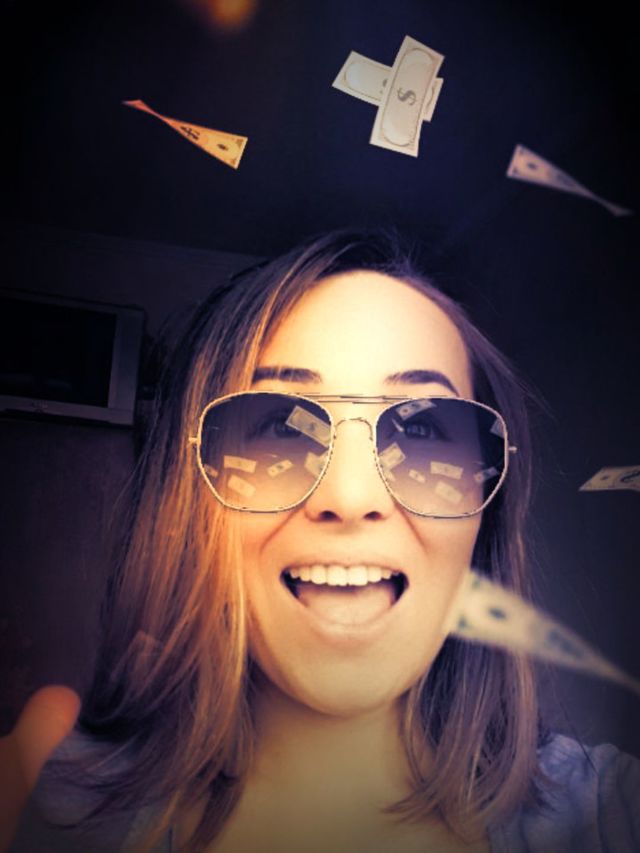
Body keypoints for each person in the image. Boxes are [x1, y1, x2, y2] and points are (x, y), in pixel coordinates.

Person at [3, 228, 639, 852]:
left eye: (423, 431)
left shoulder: (613, 816)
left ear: (484, 511)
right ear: (191, 495)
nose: (351, 497)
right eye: (280, 425)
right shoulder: (50, 814)